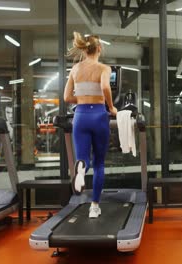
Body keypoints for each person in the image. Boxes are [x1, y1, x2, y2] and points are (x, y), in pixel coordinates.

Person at [64, 32, 117, 218]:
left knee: (83, 159)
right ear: (99, 49)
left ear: (84, 50)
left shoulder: (75, 69)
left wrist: (82, 98)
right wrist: (111, 107)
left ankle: (81, 171)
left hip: (80, 115)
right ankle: (94, 207)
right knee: (100, 163)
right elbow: (104, 87)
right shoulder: (103, 68)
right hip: (99, 115)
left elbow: (66, 97)